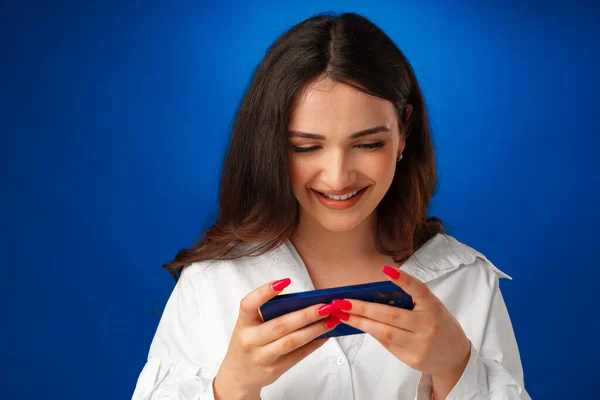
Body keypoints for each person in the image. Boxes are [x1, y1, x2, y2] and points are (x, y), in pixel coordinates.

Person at [131, 12, 530, 400]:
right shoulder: (211, 282)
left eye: (369, 143)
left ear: (404, 131)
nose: (338, 177)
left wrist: (456, 368)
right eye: (306, 147)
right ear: (270, 145)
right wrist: (231, 390)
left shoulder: (466, 280)